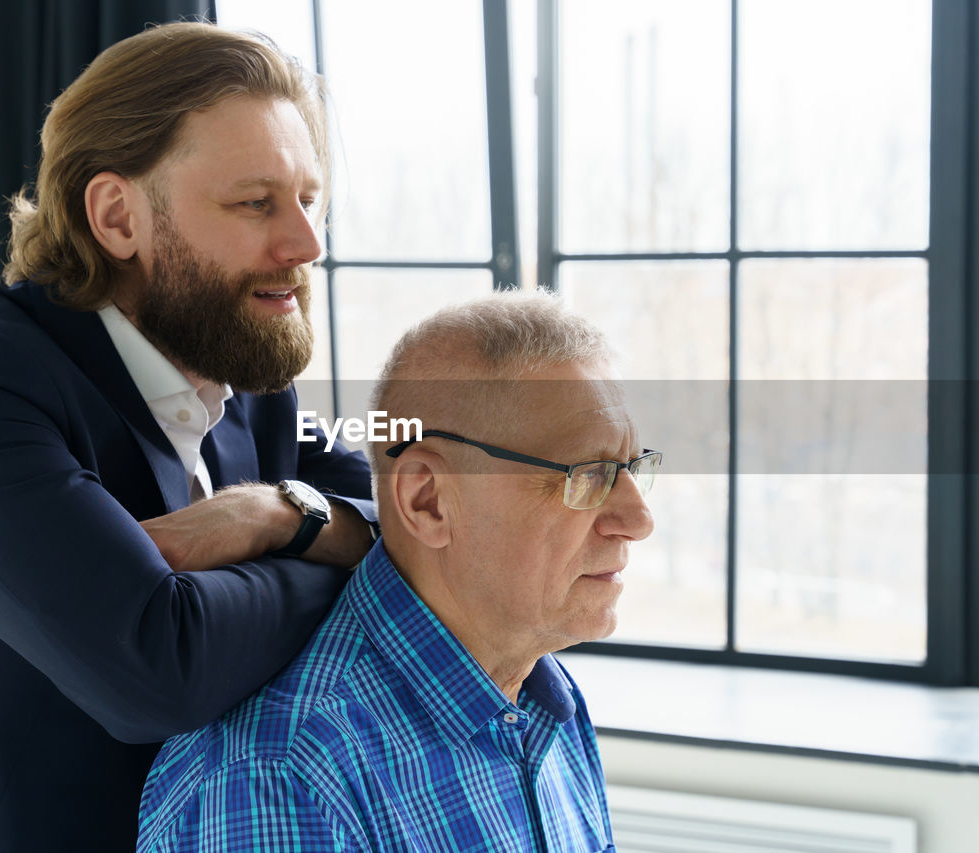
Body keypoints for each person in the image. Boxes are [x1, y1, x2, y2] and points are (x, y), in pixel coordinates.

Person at [0, 22, 376, 853]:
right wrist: (337, 549)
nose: (307, 244)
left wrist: (276, 516)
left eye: (308, 199)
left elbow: (417, 513)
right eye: (256, 203)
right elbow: (157, 665)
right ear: (118, 216)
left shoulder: (251, 382)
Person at [137, 293, 660, 852]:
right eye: (589, 475)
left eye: (632, 469)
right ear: (429, 501)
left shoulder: (545, 698)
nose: (639, 520)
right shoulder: (280, 782)